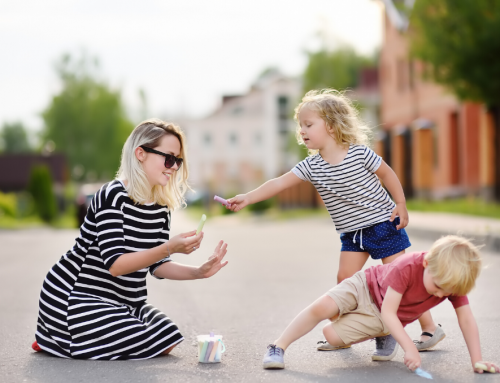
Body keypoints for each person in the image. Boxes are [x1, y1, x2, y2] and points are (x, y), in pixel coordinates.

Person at [227, 89, 442, 359]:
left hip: (383, 224)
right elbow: (279, 182)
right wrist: (248, 197)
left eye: (308, 124)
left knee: (401, 280)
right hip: (353, 233)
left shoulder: (359, 154)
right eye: (300, 126)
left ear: (330, 124)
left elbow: (387, 173)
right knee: (344, 281)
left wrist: (400, 204)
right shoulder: (312, 165)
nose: (302, 131)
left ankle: (430, 328)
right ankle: (344, 332)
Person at [33, 119, 228, 360]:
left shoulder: (161, 208)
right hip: (77, 295)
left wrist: (198, 271)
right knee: (143, 341)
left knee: (168, 338)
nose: (174, 167)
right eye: (169, 158)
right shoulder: (112, 196)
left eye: (177, 160)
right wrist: (169, 246)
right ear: (141, 154)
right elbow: (116, 265)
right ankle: (55, 335)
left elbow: (158, 265)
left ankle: (78, 337)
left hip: (124, 301)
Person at [262, 235, 499, 374]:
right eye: (438, 286)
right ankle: (278, 346)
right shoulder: (407, 265)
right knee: (323, 307)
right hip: (365, 286)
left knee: (331, 335)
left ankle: (387, 333)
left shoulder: (450, 282)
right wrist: (410, 347)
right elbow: (389, 309)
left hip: (381, 316)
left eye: (448, 291)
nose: (442, 293)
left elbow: (466, 319)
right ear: (427, 263)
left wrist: (476, 359)